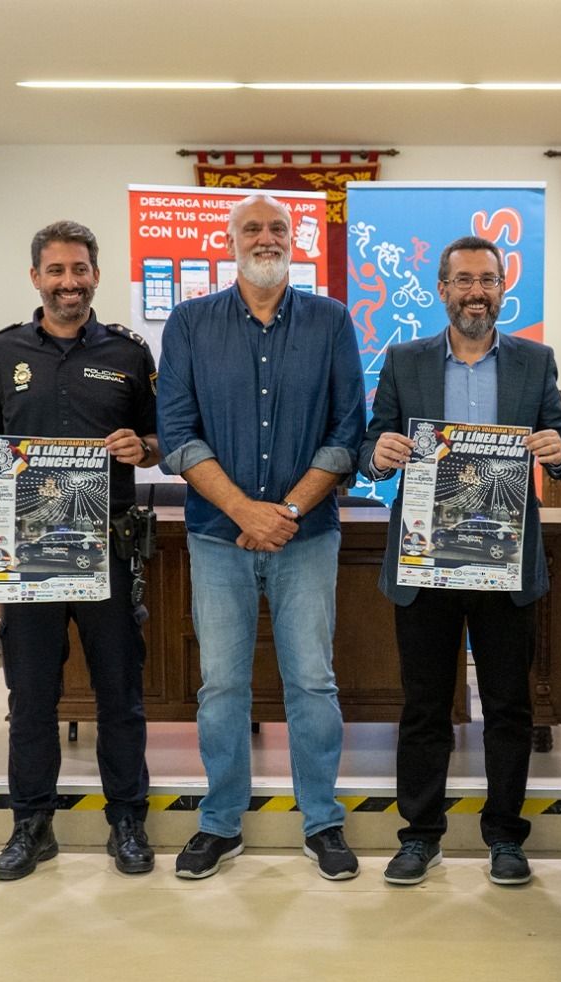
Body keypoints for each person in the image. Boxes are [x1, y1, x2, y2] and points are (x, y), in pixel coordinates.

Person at [156, 194, 366, 881]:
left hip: (308, 537)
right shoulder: (188, 323)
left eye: (278, 227)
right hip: (218, 536)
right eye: (253, 227)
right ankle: (220, 821)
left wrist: (288, 511)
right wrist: (246, 510)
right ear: (231, 239)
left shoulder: (332, 322)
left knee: (312, 679)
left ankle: (323, 821)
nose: (266, 237)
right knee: (221, 686)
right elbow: (179, 435)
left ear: (294, 239)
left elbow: (347, 433)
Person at [360, 235, 561, 886]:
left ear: (503, 289)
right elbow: (372, 438)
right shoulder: (403, 361)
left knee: (509, 708)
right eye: (464, 280)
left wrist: (556, 448)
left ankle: (506, 837)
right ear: (442, 288)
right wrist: (381, 454)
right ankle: (419, 835)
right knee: (425, 707)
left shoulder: (535, 362)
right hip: (426, 560)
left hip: (504, 560)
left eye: (488, 279)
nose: (476, 291)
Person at [0, 220, 162, 880]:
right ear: (36, 276)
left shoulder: (129, 354)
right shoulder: (0, 351)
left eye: (80, 269)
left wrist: (142, 449)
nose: (69, 281)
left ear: (96, 274)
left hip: (109, 548)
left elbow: (160, 442)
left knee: (120, 695)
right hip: (29, 550)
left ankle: (127, 821)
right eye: (56, 270)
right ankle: (30, 824)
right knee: (31, 697)